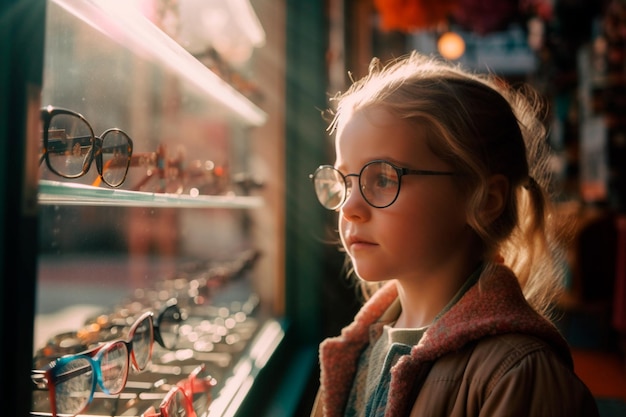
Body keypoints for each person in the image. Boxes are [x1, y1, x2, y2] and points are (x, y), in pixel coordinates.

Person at [308, 52, 600, 417]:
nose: (349, 207)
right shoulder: (355, 351)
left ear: (484, 200)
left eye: (382, 179)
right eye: (343, 181)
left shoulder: (519, 376)